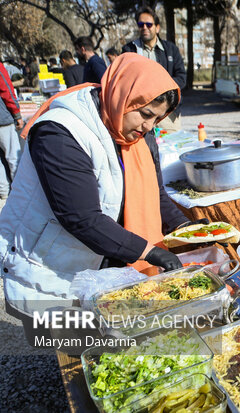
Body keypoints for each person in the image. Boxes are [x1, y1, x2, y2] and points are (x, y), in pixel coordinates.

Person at [0, 54, 205, 343]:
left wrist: (188, 228)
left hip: (101, 263)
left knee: (121, 345)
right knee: (86, 350)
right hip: (50, 270)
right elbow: (81, 218)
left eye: (157, 118)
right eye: (146, 114)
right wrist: (150, 252)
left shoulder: (134, 131)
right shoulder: (60, 131)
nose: (150, 126)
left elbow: (155, 194)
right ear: (124, 95)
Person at [122, 6, 186, 132]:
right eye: (141, 24)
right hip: (138, 115)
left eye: (149, 24)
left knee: (170, 150)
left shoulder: (171, 49)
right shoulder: (129, 50)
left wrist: (159, 88)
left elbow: (182, 78)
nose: (144, 27)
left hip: (167, 116)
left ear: (157, 27)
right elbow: (124, 80)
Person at [0, 62, 23, 199]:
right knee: (13, 157)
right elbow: (6, 89)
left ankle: (3, 191)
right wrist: (17, 114)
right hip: (2, 119)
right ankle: (19, 192)